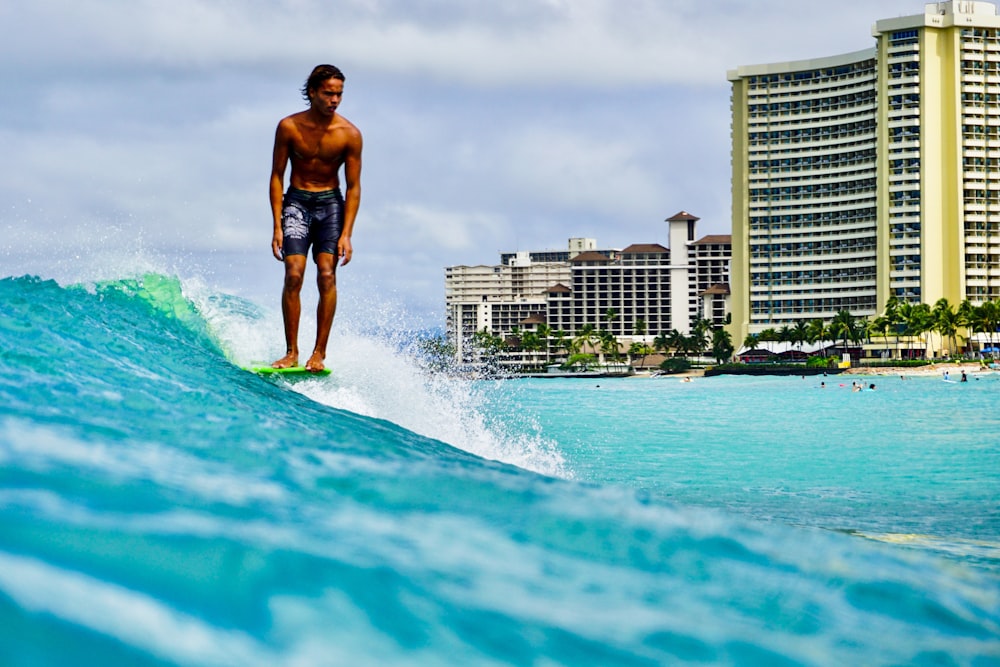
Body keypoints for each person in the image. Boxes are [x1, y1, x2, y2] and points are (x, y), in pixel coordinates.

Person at [269, 64, 363, 373]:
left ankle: (319, 352)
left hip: (330, 206)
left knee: (326, 275)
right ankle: (291, 351)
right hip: (296, 202)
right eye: (328, 93)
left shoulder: (349, 134)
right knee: (294, 274)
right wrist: (277, 226)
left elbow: (353, 187)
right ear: (312, 92)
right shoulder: (288, 128)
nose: (335, 100)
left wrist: (347, 233)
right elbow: (276, 177)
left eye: (339, 94)